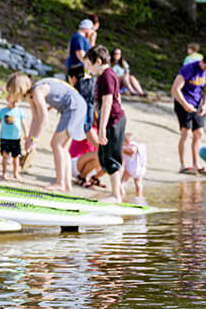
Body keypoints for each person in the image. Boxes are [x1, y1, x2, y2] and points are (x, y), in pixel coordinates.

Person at [10, 72, 87, 193]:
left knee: (56, 144)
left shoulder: (37, 92)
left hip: (74, 107)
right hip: (75, 106)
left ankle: (60, 183)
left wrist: (34, 140)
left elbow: (44, 119)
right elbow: (35, 119)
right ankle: (66, 184)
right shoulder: (32, 95)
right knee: (61, 147)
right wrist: (29, 139)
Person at [85, 45, 126, 204]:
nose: (87, 67)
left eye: (89, 63)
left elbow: (108, 101)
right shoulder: (106, 75)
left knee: (110, 157)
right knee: (104, 156)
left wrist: (102, 129)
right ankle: (119, 192)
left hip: (113, 121)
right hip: (113, 120)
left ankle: (116, 195)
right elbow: (117, 98)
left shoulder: (107, 76)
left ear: (98, 61)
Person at [170, 49, 206, 174]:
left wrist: (205, 104)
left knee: (199, 133)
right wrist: (185, 105)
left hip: (197, 103)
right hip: (183, 102)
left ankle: (196, 164)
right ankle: (183, 165)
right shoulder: (189, 68)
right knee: (186, 133)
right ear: (204, 61)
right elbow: (175, 89)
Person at [0, 94, 26, 180]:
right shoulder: (3, 111)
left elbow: (24, 123)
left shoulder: (19, 111)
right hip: (4, 138)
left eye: (16, 102)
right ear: (7, 100)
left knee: (16, 157)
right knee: (5, 156)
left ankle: (16, 173)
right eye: (12, 102)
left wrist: (26, 134)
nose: (14, 104)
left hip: (16, 138)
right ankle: (4, 173)